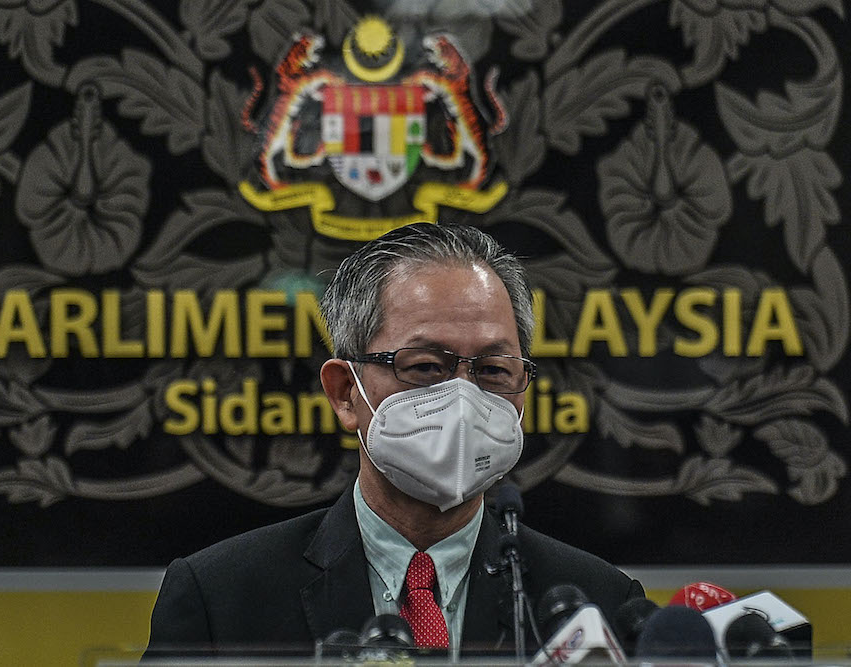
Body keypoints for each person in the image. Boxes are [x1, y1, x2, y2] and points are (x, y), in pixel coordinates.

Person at [143, 223, 643, 657]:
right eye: (425, 366)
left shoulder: (600, 607)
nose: (463, 397)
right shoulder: (220, 599)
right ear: (345, 393)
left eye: (493, 369)